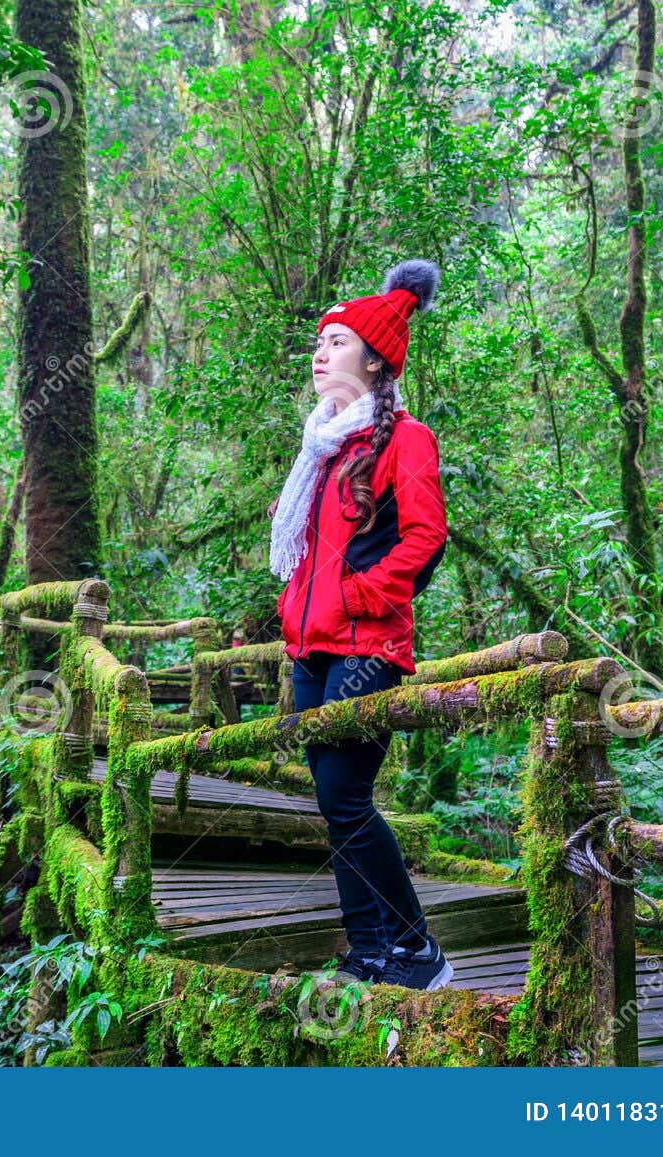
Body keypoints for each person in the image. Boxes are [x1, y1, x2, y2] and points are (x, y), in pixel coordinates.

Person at [267, 258, 451, 990]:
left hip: (367, 645)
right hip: (311, 649)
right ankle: (371, 951)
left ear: (375, 359)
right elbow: (309, 553)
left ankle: (417, 948)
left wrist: (358, 595)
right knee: (334, 802)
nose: (320, 352)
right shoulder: (324, 448)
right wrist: (300, 611)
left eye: (337, 341)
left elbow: (426, 536)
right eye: (320, 341)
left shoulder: (405, 438)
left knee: (346, 796)